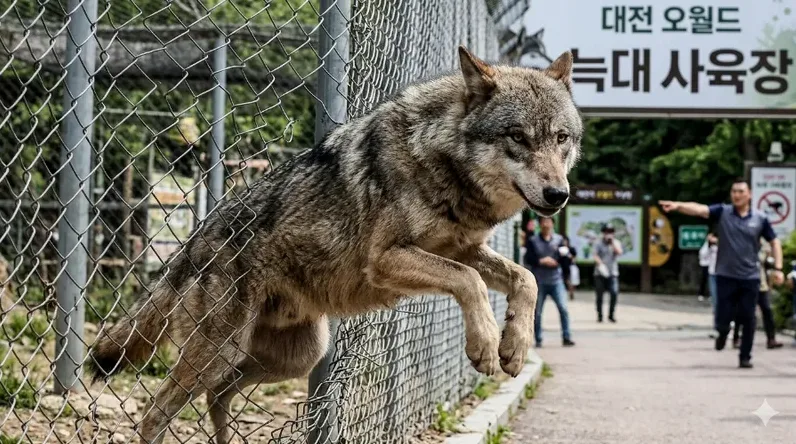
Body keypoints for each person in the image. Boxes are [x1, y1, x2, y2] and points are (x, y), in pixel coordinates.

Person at [659, 178, 784, 369]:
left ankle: (745, 356)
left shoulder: (760, 218)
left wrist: (778, 268)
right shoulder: (724, 212)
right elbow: (700, 209)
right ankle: (723, 333)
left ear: (749, 194)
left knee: (748, 316)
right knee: (723, 315)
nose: (737, 195)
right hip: (725, 274)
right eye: (734, 191)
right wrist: (677, 206)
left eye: (741, 191)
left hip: (750, 276)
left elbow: (775, 242)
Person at [524, 216, 575, 348]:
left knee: (563, 308)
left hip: (556, 280)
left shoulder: (559, 240)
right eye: (543, 221)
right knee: (538, 312)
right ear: (540, 224)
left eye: (549, 221)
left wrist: (559, 262)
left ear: (553, 224)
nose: (546, 224)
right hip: (539, 281)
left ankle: (566, 336)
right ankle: (539, 338)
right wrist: (541, 261)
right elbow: (528, 258)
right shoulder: (533, 241)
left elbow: (566, 258)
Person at [732, 240, 783, 350]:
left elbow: (767, 265)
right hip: (745, 282)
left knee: (767, 310)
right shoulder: (742, 242)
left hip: (761, 283)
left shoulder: (764, 246)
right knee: (742, 311)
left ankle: (771, 339)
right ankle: (736, 338)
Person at [593, 223, 623, 323]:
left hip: (613, 273)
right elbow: (595, 255)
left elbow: (619, 252)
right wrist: (601, 265)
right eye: (607, 232)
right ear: (603, 233)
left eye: (610, 232)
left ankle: (611, 315)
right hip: (600, 273)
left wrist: (612, 243)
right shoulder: (598, 243)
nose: (608, 234)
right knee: (599, 295)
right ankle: (600, 315)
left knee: (614, 293)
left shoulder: (616, 242)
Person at [559, 235, 578, 300]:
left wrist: (569, 255)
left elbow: (574, 258)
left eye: (565, 240)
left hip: (570, 267)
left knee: (572, 281)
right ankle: (566, 293)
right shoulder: (560, 249)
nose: (564, 242)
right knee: (565, 280)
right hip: (562, 267)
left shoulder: (571, 249)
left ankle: (571, 292)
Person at [697, 234, 712, 301]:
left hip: (712, 265)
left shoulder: (716, 245)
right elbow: (702, 254)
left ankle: (711, 295)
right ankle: (701, 294)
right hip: (705, 265)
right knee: (704, 280)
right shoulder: (705, 246)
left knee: (711, 281)